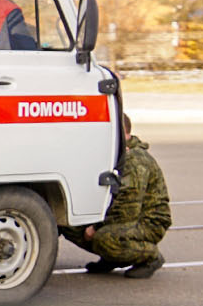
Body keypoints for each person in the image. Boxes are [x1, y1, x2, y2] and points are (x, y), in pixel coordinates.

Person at [61, 114, 171, 278]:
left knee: (104, 238)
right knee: (69, 224)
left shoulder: (134, 160)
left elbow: (127, 210)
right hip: (122, 217)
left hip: (147, 222)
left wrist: (96, 227)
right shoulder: (116, 154)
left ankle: (149, 256)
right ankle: (112, 256)